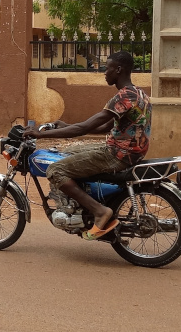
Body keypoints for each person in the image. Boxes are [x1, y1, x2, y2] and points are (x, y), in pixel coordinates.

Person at [24, 51, 150, 241]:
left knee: (55, 170)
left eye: (107, 68)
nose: (104, 73)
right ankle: (80, 205)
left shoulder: (123, 97)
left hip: (117, 154)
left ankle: (99, 211)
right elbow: (107, 126)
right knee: (66, 154)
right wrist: (68, 126)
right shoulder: (138, 93)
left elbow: (83, 128)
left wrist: (40, 134)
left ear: (118, 69)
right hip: (129, 152)